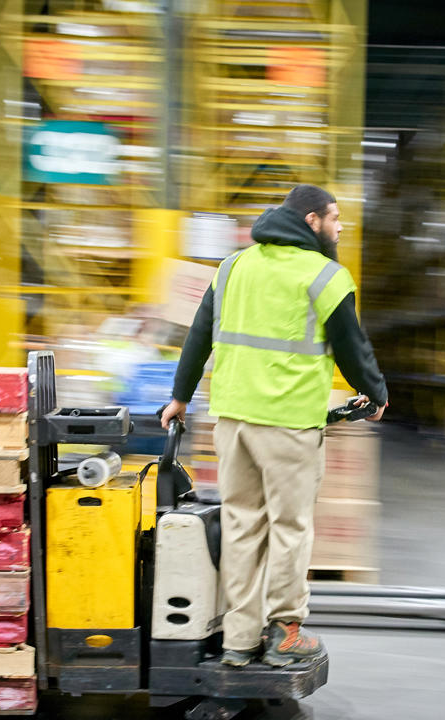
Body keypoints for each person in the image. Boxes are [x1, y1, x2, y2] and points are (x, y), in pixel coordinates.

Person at [161, 185, 389, 668]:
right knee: (289, 526)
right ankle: (285, 630)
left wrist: (180, 397)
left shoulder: (233, 266)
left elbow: (199, 334)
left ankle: (239, 639)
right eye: (335, 218)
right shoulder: (324, 275)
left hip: (232, 421)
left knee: (243, 524)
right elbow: (352, 345)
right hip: (287, 425)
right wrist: (377, 393)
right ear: (312, 221)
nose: (341, 227)